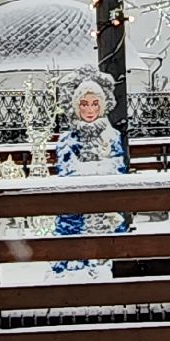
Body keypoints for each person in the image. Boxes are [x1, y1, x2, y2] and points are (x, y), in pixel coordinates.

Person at [52, 73, 129, 259]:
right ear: (76, 106)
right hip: (75, 214)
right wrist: (98, 170)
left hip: (107, 209)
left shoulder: (112, 137)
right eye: (84, 104)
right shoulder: (67, 140)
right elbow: (68, 174)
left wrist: (89, 171)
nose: (90, 110)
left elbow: (117, 170)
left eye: (95, 103)